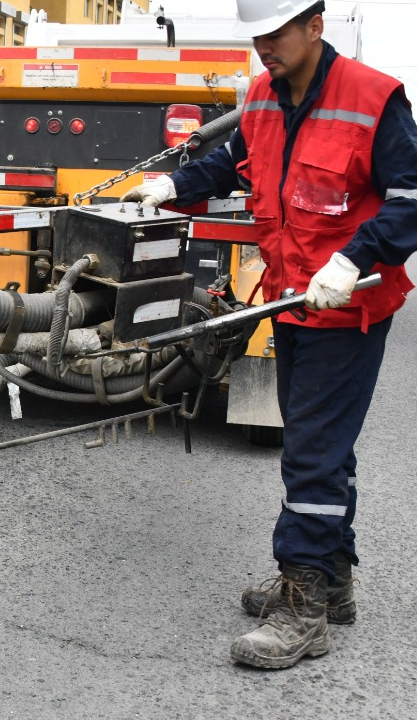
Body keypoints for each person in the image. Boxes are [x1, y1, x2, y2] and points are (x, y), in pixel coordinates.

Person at [123, 0, 417, 669]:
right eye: (256, 35)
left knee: (310, 453)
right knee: (326, 447)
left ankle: (304, 606)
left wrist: (355, 260)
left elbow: (411, 199)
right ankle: (332, 583)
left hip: (348, 307)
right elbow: (231, 164)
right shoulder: (261, 96)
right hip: (291, 301)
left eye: (275, 32)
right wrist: (169, 186)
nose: (264, 46)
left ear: (315, 26)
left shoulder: (374, 99)